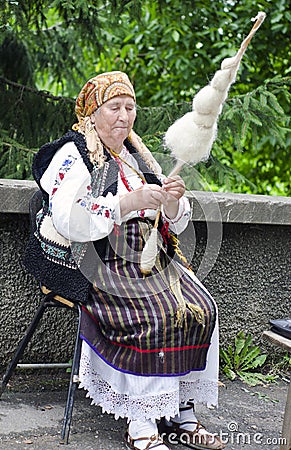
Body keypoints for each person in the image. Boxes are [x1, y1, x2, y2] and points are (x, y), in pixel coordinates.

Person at [25, 71, 225, 450]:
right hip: (96, 259)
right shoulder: (72, 154)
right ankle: (142, 420)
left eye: (130, 107)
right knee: (154, 313)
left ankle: (182, 413)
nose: (124, 116)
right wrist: (126, 204)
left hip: (148, 254)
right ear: (91, 114)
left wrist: (171, 200)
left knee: (202, 305)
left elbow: (175, 221)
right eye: (114, 107)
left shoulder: (138, 154)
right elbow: (69, 217)